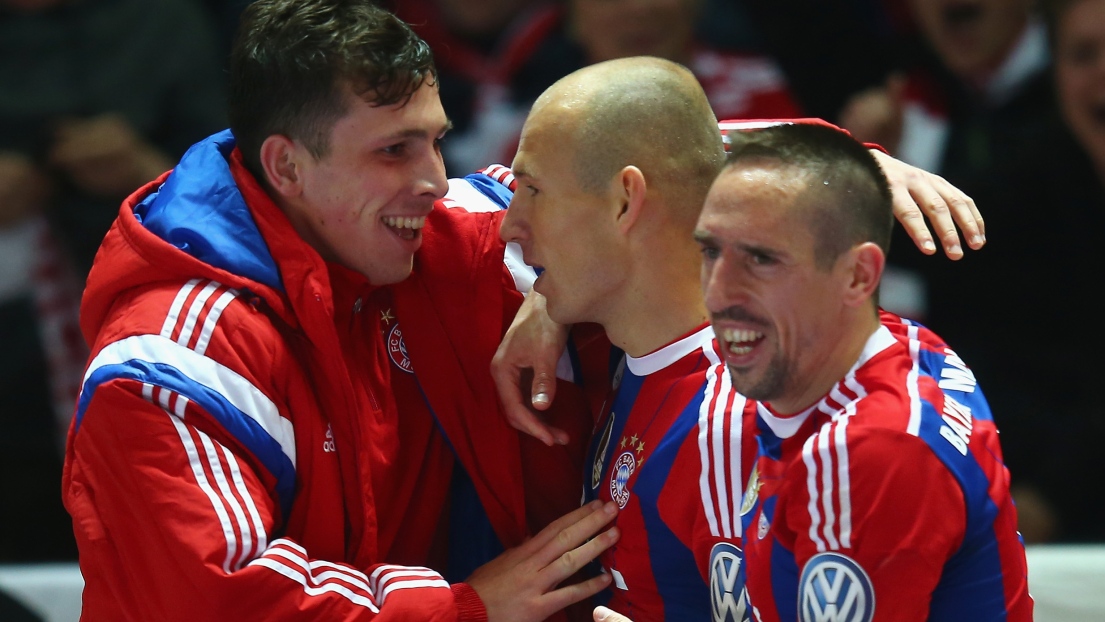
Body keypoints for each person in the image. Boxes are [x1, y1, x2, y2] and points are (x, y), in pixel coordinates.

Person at [62, 1, 619, 619]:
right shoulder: (169, 362)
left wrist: (556, 289)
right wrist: (466, 608)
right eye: (393, 151)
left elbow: (689, 174)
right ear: (288, 166)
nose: (433, 180)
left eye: (436, 141)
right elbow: (222, 599)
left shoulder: (442, 238)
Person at [496, 56, 990, 620]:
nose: (510, 225)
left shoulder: (754, 416)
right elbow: (682, 148)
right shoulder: (662, 354)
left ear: (626, 202)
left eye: (532, 190)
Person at [695, 122, 1031, 620]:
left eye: (761, 260)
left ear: (858, 275)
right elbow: (664, 136)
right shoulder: (901, 341)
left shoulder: (866, 453)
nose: (718, 294)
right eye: (710, 251)